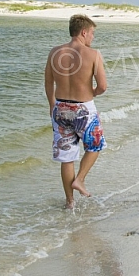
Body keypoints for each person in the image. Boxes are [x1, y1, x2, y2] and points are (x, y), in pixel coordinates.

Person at [45, 14, 108, 209]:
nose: (93, 38)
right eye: (92, 33)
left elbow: (48, 82)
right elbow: (103, 86)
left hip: (60, 108)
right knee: (96, 145)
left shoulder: (54, 53)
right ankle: (79, 179)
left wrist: (51, 104)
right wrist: (92, 93)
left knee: (67, 157)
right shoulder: (93, 54)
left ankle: (70, 202)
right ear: (83, 32)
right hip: (83, 108)